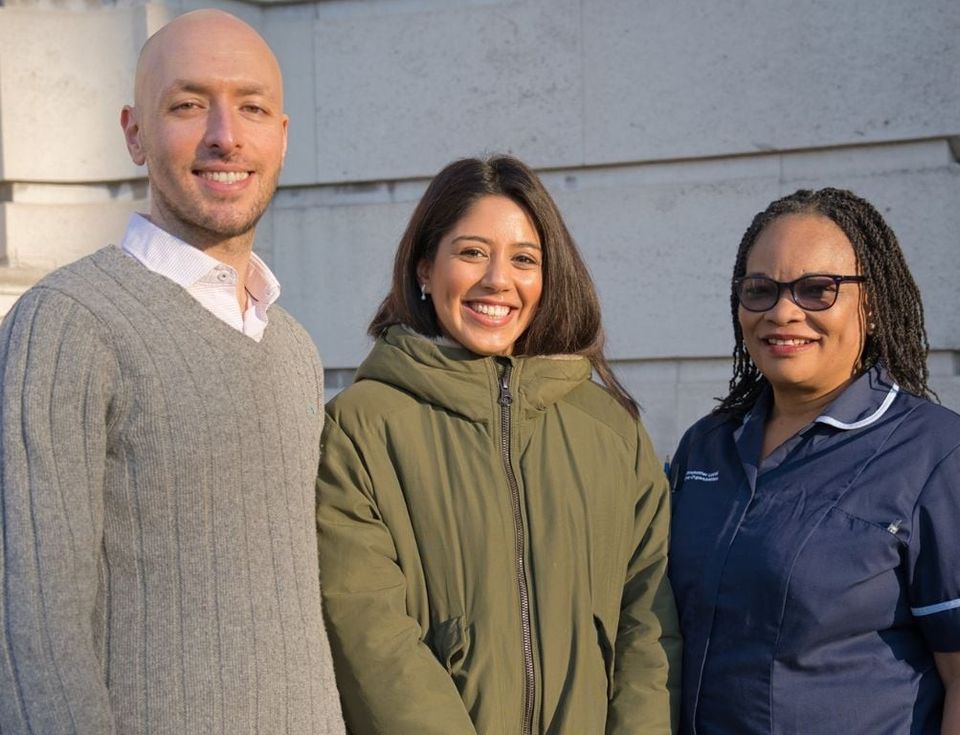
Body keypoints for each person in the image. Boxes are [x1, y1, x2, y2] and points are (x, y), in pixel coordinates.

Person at [0, 10, 344, 733]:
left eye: (251, 107)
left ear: (282, 136)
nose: (225, 134)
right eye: (188, 105)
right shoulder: (67, 323)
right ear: (134, 133)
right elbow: (32, 632)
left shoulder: (294, 348)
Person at [317, 154, 681, 733]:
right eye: (471, 252)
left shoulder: (612, 430)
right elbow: (369, 633)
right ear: (424, 270)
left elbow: (647, 622)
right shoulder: (359, 428)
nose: (497, 280)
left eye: (524, 259)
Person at [667, 188, 960, 734]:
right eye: (760, 290)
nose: (783, 312)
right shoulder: (706, 446)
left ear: (874, 306)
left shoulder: (939, 455)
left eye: (817, 290)